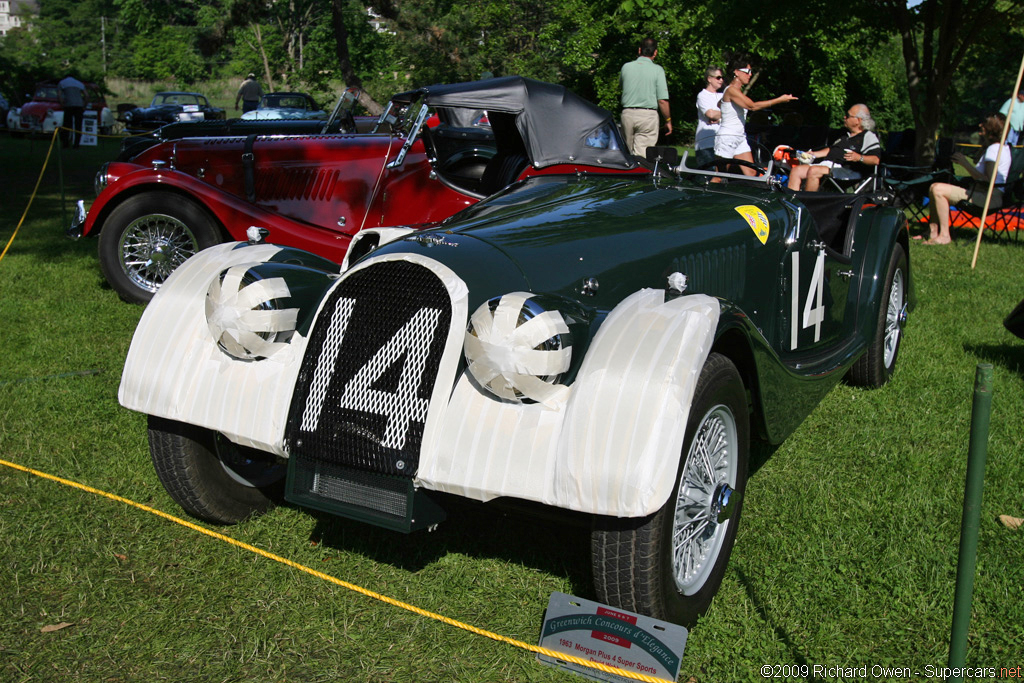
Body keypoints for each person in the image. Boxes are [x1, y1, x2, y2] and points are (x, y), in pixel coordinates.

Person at [920, 113, 1012, 245]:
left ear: (991, 129)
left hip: (988, 199)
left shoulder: (994, 150)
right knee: (934, 186)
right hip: (988, 195)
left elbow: (988, 181)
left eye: (984, 124)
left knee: (938, 190)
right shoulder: (1000, 147)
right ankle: (932, 231)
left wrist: (965, 163)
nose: (980, 125)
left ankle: (944, 236)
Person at [714, 56, 797, 176]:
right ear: (736, 72)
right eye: (747, 71)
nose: (750, 74)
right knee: (719, 177)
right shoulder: (731, 90)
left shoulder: (734, 91)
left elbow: (720, 103)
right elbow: (752, 106)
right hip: (727, 138)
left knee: (751, 173)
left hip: (739, 137)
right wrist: (780, 99)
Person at [786, 104, 881, 192]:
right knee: (796, 170)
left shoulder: (868, 136)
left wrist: (859, 157)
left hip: (846, 171)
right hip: (827, 166)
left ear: (858, 120)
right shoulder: (843, 133)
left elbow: (875, 160)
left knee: (814, 171)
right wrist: (814, 154)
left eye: (848, 115)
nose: (844, 117)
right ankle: (791, 204)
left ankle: (807, 204)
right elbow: (832, 149)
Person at [620, 37, 672, 158]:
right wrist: (668, 120)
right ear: (655, 52)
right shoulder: (658, 70)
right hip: (648, 116)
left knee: (626, 154)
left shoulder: (626, 67)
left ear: (639, 50)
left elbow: (623, 86)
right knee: (642, 155)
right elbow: (662, 100)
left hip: (627, 113)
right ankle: (639, 175)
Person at [694, 65, 723, 168]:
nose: (721, 80)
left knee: (721, 177)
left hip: (721, 143)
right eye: (718, 77)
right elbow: (710, 114)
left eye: (721, 77)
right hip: (706, 143)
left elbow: (731, 113)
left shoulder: (722, 96)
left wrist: (718, 116)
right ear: (709, 79)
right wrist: (723, 115)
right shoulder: (702, 95)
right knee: (706, 177)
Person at [58, 74, 86, 148]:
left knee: (67, 125)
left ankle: (65, 144)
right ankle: (77, 144)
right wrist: (84, 105)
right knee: (78, 126)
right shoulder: (79, 83)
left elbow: (59, 95)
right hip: (79, 106)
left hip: (68, 105)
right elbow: (87, 95)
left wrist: (62, 104)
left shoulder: (62, 83)